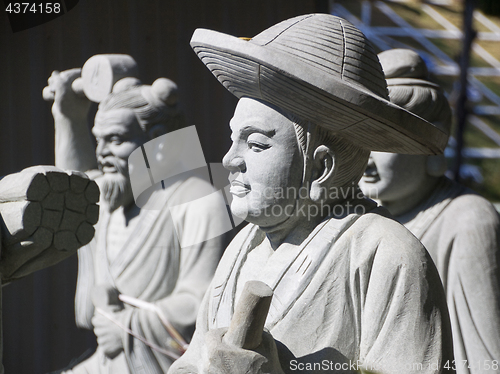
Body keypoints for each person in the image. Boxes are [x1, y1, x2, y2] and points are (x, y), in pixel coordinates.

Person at [169, 14, 454, 374]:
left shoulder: (386, 255)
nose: (229, 159)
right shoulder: (243, 247)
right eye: (233, 140)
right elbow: (191, 361)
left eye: (256, 144)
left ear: (321, 168)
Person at [46, 65, 226, 373]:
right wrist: (68, 117)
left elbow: (201, 300)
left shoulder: (196, 200)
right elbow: (75, 187)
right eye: (97, 140)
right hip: (106, 360)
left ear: (156, 143)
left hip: (163, 360)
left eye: (115, 139)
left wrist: (128, 326)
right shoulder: (114, 199)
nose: (101, 152)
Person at [359, 48, 500, 374]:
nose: (366, 156)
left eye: (384, 140)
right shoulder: (360, 219)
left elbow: (485, 358)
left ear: (431, 146)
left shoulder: (467, 221)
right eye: (359, 137)